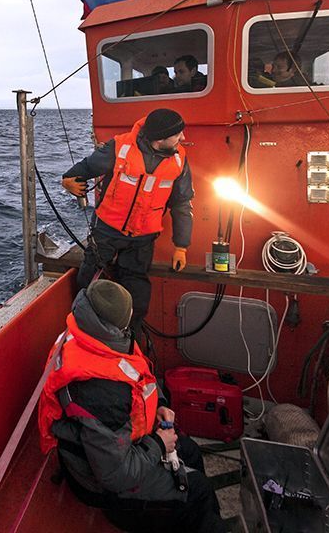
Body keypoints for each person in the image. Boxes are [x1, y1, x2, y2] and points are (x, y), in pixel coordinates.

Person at [38, 280, 228, 533]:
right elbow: (117, 475)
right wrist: (159, 443)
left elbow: (136, 372)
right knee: (199, 492)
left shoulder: (97, 336)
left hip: (121, 442)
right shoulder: (98, 390)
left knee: (190, 450)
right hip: (100, 482)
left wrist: (158, 404)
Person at [61, 108, 193, 328]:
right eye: (178, 134)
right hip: (105, 232)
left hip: (142, 239)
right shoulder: (120, 147)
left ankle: (129, 338)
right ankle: (82, 328)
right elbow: (85, 168)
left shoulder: (179, 160)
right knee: (89, 282)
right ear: (160, 139)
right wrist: (68, 180)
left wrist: (181, 246)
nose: (183, 138)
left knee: (138, 296)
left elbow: (182, 203)